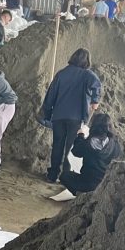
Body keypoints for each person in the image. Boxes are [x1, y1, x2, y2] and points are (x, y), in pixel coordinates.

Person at [41, 48, 102, 183]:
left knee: (57, 145)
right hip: (76, 117)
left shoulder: (61, 74)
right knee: (71, 147)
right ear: (87, 61)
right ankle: (66, 176)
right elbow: (97, 86)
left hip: (58, 116)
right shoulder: (88, 75)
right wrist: (95, 101)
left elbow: (50, 95)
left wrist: (47, 113)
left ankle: (52, 175)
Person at [59, 113, 123, 195]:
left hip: (87, 183)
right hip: (103, 184)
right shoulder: (115, 144)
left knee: (64, 176)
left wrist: (80, 136)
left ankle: (81, 194)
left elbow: (76, 151)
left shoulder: (88, 143)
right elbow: (117, 155)